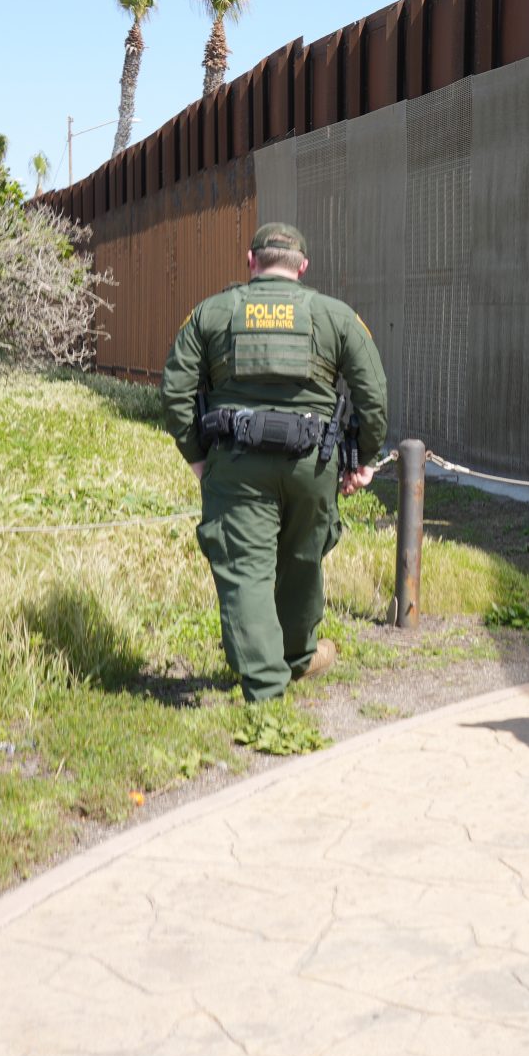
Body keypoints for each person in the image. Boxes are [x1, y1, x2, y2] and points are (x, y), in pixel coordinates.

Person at [161, 222, 388, 703]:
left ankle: (266, 686)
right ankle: (295, 659)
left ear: (251, 261)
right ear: (302, 267)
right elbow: (373, 394)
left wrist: (198, 458)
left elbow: (176, 391)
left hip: (236, 464)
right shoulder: (336, 316)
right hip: (314, 464)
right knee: (303, 560)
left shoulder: (211, 313)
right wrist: (363, 459)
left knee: (246, 568)